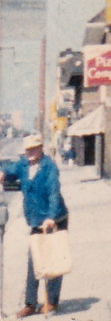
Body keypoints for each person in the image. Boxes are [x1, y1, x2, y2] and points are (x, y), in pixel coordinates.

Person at [0, 133, 69, 317]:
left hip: (54, 218)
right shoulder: (23, 164)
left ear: (41, 148)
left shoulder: (49, 167)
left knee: (52, 260)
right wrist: (3, 174)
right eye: (28, 149)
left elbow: (54, 193)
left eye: (34, 148)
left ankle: (52, 302)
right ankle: (30, 304)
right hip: (35, 219)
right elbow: (10, 169)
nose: (31, 152)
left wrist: (51, 217)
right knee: (35, 261)